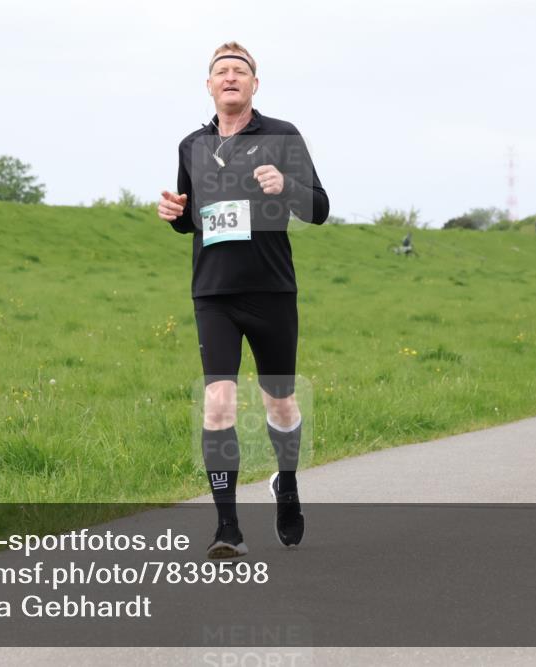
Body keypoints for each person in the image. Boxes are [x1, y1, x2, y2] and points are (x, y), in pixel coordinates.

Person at [157, 42, 329, 558]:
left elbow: (319, 208)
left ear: (255, 84)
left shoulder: (282, 135)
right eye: (220, 71)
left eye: (240, 71)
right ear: (209, 86)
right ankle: (227, 527)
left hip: (272, 288)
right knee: (219, 401)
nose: (230, 77)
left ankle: (288, 483)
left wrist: (287, 186)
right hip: (213, 291)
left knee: (280, 399)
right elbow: (193, 218)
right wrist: (175, 213)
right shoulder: (191, 145)